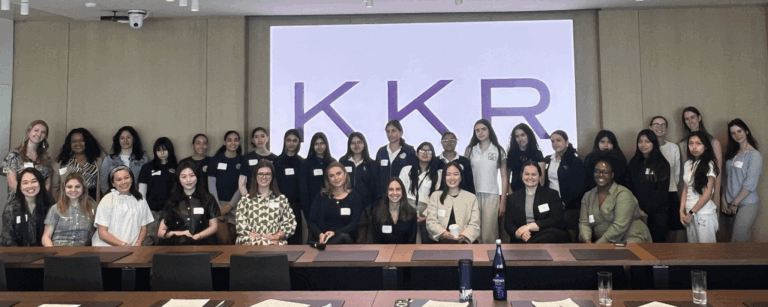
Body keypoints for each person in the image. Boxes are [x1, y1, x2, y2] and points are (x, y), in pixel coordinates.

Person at [579, 158, 652, 243]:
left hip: (632, 238)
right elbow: (584, 223)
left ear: (612, 175)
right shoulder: (588, 196)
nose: (600, 175)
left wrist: (597, 245)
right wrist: (587, 242)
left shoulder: (623, 194)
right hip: (604, 243)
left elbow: (619, 226)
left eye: (605, 172)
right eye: (597, 171)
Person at [157, 161, 220, 245]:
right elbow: (160, 232)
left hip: (203, 245)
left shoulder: (208, 198)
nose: (188, 180)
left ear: (197, 176)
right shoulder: (172, 201)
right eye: (184, 177)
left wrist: (198, 236)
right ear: (178, 178)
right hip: (177, 245)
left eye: (192, 175)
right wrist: (176, 233)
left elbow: (214, 226)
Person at [465, 119, 508, 243]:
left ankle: (490, 255)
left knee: (489, 234)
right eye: (477, 130)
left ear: (489, 130)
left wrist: (503, 201)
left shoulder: (498, 150)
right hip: (473, 195)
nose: (480, 132)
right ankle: (476, 255)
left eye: (483, 129)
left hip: (491, 195)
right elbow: (465, 175)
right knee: (474, 232)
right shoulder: (470, 150)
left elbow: (504, 177)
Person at [505, 161, 569, 243]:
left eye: (534, 174)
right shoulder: (512, 198)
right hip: (524, 237)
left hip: (547, 237)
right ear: (522, 176)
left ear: (539, 177)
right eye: (527, 174)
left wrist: (531, 226)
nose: (530, 177)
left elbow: (557, 219)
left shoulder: (552, 195)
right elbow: (508, 224)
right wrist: (519, 233)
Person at [235, 160, 296, 245]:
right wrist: (251, 234)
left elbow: (290, 223)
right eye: (260, 174)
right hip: (250, 242)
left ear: (272, 177)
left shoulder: (281, 199)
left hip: (275, 243)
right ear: (255, 176)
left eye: (267, 174)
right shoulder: (245, 200)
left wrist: (277, 236)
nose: (264, 177)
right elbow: (240, 224)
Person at [92, 166, 154, 246]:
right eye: (119, 180)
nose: (123, 182)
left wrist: (138, 243)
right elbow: (102, 233)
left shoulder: (140, 200)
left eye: (126, 178)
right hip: (105, 248)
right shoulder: (107, 200)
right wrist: (123, 245)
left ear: (132, 179)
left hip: (131, 248)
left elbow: (144, 227)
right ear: (113, 183)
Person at [207, 131, 251, 245]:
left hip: (236, 205)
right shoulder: (215, 160)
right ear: (224, 142)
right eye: (229, 140)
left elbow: (242, 185)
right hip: (218, 205)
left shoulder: (243, 160)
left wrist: (231, 205)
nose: (233, 143)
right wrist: (218, 208)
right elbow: (211, 186)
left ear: (239, 142)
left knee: (235, 241)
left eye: (236, 140)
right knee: (224, 242)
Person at [721, 119, 761, 242]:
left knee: (738, 239)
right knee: (734, 240)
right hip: (729, 204)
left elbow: (750, 183)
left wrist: (735, 203)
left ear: (746, 131)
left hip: (747, 204)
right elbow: (725, 178)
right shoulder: (731, 154)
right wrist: (723, 200)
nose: (737, 135)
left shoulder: (754, 155)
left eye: (739, 131)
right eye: (733, 133)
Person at [627, 129, 671, 243]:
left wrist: (647, 211)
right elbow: (629, 188)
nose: (643, 144)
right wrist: (638, 209)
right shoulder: (633, 162)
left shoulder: (662, 163)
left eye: (647, 141)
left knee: (657, 247)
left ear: (653, 143)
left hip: (658, 213)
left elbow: (661, 191)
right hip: (637, 212)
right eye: (640, 141)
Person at [542, 130, 585, 241]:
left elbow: (579, 186)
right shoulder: (548, 159)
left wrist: (565, 202)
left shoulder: (575, 161)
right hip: (551, 202)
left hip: (569, 205)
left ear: (566, 142)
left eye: (558, 140)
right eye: (552, 141)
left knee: (568, 230)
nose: (555, 143)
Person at [648, 116, 684, 242]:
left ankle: (671, 254)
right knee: (655, 230)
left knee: (672, 229)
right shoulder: (646, 147)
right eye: (656, 124)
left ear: (666, 128)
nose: (660, 127)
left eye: (663, 125)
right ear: (650, 127)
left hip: (670, 192)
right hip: (652, 194)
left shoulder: (673, 148)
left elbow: (676, 173)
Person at [679, 107, 723, 210]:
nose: (690, 121)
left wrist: (716, 195)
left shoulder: (713, 142)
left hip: (708, 193)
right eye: (687, 119)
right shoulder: (682, 144)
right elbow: (687, 173)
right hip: (691, 196)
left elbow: (718, 171)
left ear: (699, 118)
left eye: (693, 117)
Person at [426, 161, 480, 243]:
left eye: (456, 174)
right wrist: (444, 233)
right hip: (440, 242)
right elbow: (431, 222)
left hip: (464, 243)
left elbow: (475, 224)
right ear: (444, 177)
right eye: (448, 174)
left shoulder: (471, 198)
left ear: (461, 177)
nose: (452, 178)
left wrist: (464, 236)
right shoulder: (435, 196)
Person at [308, 162, 362, 244]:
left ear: (345, 175)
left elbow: (354, 224)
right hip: (322, 240)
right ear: (328, 180)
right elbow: (311, 221)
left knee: (342, 237)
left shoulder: (355, 197)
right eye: (331, 176)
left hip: (346, 241)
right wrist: (320, 234)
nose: (336, 178)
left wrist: (334, 233)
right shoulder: (321, 196)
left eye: (339, 173)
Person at [680, 131, 720, 243]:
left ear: (705, 146)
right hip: (689, 213)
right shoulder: (688, 164)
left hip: (704, 213)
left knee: (707, 250)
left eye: (698, 143)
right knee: (693, 249)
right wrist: (681, 211)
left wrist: (691, 213)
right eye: (691, 143)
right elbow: (685, 190)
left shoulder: (709, 164)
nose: (694, 147)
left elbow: (708, 194)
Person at [399, 142, 441, 243]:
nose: (425, 153)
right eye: (422, 150)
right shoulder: (406, 170)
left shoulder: (438, 174)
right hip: (406, 210)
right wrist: (407, 211)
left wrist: (426, 215)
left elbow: (437, 197)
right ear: (417, 154)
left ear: (433, 155)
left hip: (426, 212)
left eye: (429, 151)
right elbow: (400, 193)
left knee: (425, 242)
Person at [139, 137, 178, 245]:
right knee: (148, 240)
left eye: (164, 149)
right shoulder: (147, 168)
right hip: (152, 211)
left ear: (170, 150)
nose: (162, 153)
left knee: (168, 241)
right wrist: (144, 210)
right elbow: (142, 192)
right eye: (158, 150)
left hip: (171, 211)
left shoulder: (176, 167)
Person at [1, 168, 55, 246]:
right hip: (17, 252)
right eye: (25, 183)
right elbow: (7, 238)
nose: (30, 186)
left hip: (45, 250)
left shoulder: (50, 204)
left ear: (40, 183)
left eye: (34, 181)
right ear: (20, 186)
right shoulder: (12, 207)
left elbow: (55, 235)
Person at [339, 132, 376, 243]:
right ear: (349, 145)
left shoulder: (371, 164)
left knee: (362, 240)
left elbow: (374, 188)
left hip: (365, 208)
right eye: (353, 143)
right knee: (346, 238)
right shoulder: (343, 162)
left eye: (359, 142)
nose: (356, 146)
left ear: (364, 144)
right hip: (346, 205)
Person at [42, 173, 96, 246]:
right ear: (64, 188)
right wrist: (53, 251)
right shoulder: (55, 208)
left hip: (82, 250)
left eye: (77, 186)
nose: (73, 190)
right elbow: (46, 237)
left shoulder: (92, 207)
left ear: (83, 188)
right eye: (69, 187)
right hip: (58, 249)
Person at [52, 128, 104, 201]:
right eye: (74, 141)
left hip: (91, 201)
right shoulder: (61, 163)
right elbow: (55, 188)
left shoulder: (98, 161)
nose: (78, 144)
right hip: (68, 201)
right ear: (69, 144)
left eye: (82, 140)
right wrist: (60, 203)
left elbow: (104, 185)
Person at [3, 120, 53, 195]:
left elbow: (47, 182)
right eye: (36, 130)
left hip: (40, 200)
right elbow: (12, 183)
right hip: (19, 199)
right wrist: (29, 197)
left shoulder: (45, 158)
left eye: (43, 132)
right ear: (29, 131)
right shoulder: (13, 156)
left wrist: (41, 198)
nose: (39, 134)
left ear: (45, 136)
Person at [273, 129, 304, 245]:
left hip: (296, 207)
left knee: (296, 239)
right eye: (289, 140)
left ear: (299, 143)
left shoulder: (302, 162)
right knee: (279, 238)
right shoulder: (277, 162)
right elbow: (274, 184)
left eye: (295, 141)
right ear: (284, 142)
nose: (291, 143)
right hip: (280, 206)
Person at [374, 120, 418, 200]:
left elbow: (414, 174)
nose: (390, 134)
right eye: (388, 131)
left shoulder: (409, 151)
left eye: (393, 131)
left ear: (400, 133)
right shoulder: (381, 151)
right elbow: (376, 175)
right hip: (382, 196)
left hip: (402, 196)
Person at [99, 126, 149, 195]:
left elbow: (147, 181)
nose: (125, 141)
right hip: (115, 198)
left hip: (137, 197)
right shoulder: (109, 159)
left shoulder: (143, 159)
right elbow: (103, 182)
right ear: (118, 140)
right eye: (122, 138)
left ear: (134, 139)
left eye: (128, 137)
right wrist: (111, 196)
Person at [299, 132, 335, 222]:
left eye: (322, 143)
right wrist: (307, 210)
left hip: (331, 205)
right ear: (312, 146)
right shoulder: (306, 164)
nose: (319, 146)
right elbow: (303, 189)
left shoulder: (332, 162)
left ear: (326, 145)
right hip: (312, 206)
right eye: (316, 144)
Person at [371, 178, 417, 244]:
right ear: (386, 192)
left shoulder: (411, 213)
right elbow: (376, 242)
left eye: (398, 189)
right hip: (383, 250)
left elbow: (412, 242)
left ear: (403, 192)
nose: (395, 193)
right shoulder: (376, 213)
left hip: (405, 250)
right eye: (391, 189)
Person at [506, 123, 545, 193]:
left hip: (533, 192)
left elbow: (541, 179)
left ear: (528, 135)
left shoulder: (537, 154)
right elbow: (506, 177)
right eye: (517, 136)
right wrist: (510, 194)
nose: (520, 139)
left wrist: (536, 195)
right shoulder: (511, 154)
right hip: (515, 192)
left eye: (522, 135)